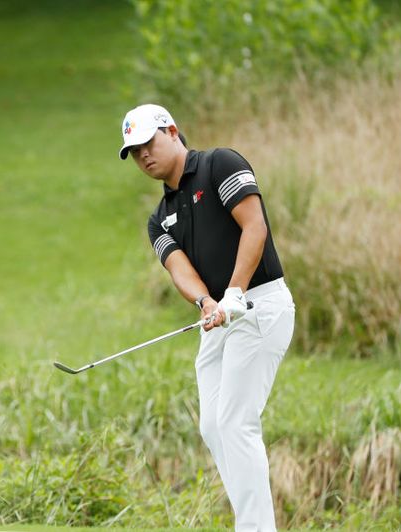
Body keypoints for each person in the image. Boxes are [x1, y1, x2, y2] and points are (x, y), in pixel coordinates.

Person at [119, 103, 295, 532]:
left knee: (236, 421)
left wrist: (233, 291)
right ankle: (252, 523)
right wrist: (206, 303)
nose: (143, 156)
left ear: (172, 131)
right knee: (214, 425)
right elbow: (180, 269)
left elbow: (255, 226)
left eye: (148, 143)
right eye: (134, 151)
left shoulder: (220, 164)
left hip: (260, 305)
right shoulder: (159, 218)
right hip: (218, 318)